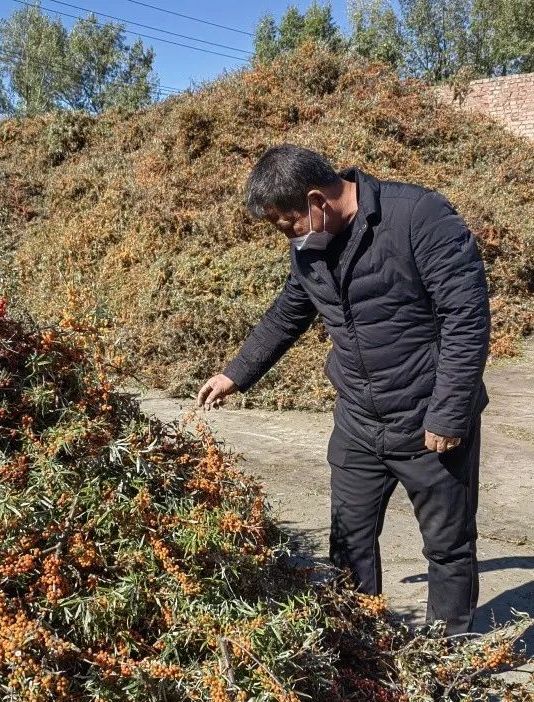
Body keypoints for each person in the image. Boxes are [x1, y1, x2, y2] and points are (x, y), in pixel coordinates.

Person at [196, 144, 490, 635]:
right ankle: (360, 637)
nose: (286, 235)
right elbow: (289, 312)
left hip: (427, 419)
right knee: (348, 538)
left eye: (287, 223)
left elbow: (466, 318)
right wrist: (236, 373)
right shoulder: (310, 247)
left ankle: (448, 654)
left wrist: (449, 413)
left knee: (448, 544)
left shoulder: (420, 216)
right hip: (358, 420)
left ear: (317, 200)